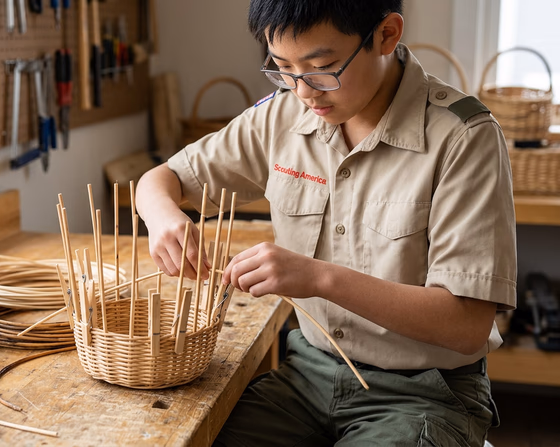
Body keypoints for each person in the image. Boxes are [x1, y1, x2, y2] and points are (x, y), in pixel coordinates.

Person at [135, 0, 517, 445]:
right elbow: (160, 179)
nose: (303, 91)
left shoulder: (463, 138)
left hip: (424, 394)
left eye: (322, 67)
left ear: (386, 35)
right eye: (282, 68)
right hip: (308, 376)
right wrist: (162, 216)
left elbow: (466, 325)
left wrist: (319, 277)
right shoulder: (284, 115)